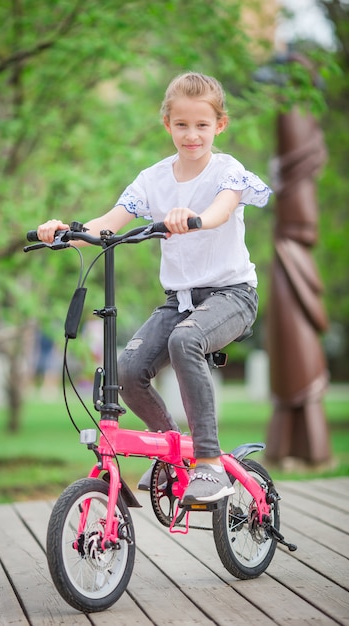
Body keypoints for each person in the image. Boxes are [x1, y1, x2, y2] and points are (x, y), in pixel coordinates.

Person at [37, 72, 271, 505]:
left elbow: (221, 211)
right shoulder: (152, 180)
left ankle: (209, 464)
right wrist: (63, 231)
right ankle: (170, 452)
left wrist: (193, 216)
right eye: (182, 124)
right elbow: (106, 224)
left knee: (186, 340)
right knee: (126, 371)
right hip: (179, 302)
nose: (191, 134)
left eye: (202, 125)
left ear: (220, 125)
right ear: (167, 124)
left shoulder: (228, 172)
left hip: (232, 296)